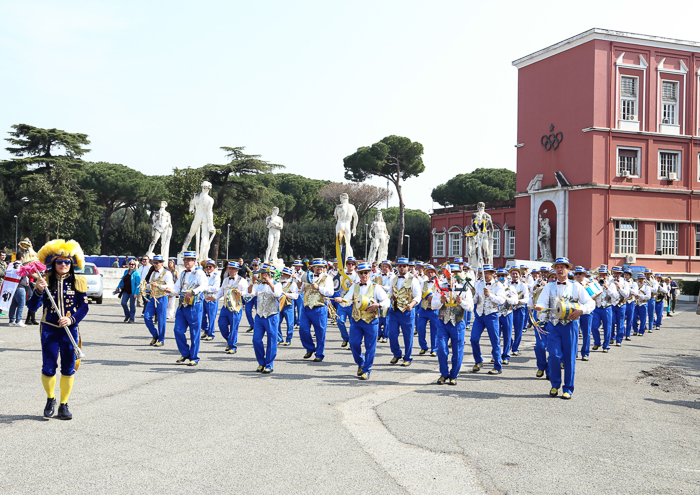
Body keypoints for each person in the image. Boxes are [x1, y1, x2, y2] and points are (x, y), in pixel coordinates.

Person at [30, 239, 89, 420]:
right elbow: (32, 307)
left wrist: (71, 319)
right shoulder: (44, 280)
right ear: (53, 263)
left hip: (69, 331)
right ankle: (50, 399)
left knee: (68, 368)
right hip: (49, 330)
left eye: (67, 262)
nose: (63, 265)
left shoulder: (78, 281)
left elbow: (84, 307)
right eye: (60, 262)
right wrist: (38, 291)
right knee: (48, 367)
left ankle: (64, 404)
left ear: (72, 263)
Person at [533, 257, 595, 399]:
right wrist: (539, 307)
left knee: (569, 357)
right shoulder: (549, 286)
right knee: (553, 355)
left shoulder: (576, 286)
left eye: (562, 267)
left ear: (568, 270)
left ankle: (568, 388)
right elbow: (542, 302)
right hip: (553, 325)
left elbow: (590, 303)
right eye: (557, 267)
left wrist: (581, 311)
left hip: (570, 326)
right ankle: (555, 385)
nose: (559, 270)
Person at [339, 261, 390, 380]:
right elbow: (347, 301)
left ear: (370, 273)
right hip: (356, 321)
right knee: (353, 343)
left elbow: (387, 301)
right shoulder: (354, 286)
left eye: (366, 273)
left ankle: (366, 370)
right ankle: (361, 363)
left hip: (371, 321)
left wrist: (378, 305)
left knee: (370, 346)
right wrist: (341, 300)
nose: (363, 275)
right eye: (361, 273)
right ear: (358, 274)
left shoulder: (376, 287)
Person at [432, 264, 475, 385]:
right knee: (441, 349)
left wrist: (461, 302)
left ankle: (454, 375)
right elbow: (433, 305)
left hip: (458, 323)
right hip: (443, 322)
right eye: (448, 274)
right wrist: (440, 301)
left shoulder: (463, 288)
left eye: (453, 274)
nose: (450, 277)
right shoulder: (440, 287)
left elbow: (470, 307)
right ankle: (444, 374)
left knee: (457, 351)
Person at [164, 251, 208, 366]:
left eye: (189, 260)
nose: (187, 262)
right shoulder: (183, 273)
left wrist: (193, 292)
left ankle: (194, 357)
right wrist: (170, 291)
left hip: (194, 305)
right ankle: (185, 353)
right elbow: (177, 289)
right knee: (178, 330)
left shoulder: (199, 272)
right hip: (182, 305)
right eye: (185, 260)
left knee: (194, 332)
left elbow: (204, 285)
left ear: (194, 261)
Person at [470, 265, 506, 374]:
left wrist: (490, 295)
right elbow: (475, 300)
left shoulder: (498, 285)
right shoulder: (479, 284)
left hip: (492, 314)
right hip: (479, 314)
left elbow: (501, 300)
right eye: (483, 273)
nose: (484, 275)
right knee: (473, 339)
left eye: (486, 273)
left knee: (495, 341)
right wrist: (471, 295)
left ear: (492, 273)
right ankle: (478, 361)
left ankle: (498, 366)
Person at [297, 258, 334, 362]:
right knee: (303, 329)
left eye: (322, 267)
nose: (320, 268)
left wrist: (318, 288)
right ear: (313, 267)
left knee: (320, 332)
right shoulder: (307, 276)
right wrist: (299, 286)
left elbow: (331, 292)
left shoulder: (327, 278)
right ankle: (310, 348)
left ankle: (319, 353)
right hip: (306, 307)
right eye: (317, 267)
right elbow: (300, 291)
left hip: (319, 307)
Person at [387, 257, 421, 367]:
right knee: (392, 334)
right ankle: (397, 353)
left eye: (404, 266)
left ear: (408, 267)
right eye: (400, 266)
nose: (402, 268)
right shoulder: (393, 279)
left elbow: (418, 296)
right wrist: (384, 301)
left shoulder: (413, 280)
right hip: (394, 310)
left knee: (408, 336)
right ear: (397, 267)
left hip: (407, 312)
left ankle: (407, 357)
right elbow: (390, 293)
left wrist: (412, 304)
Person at [248, 263, 282, 373]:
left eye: (265, 273)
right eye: (262, 273)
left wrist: (270, 282)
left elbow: (277, 294)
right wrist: (252, 283)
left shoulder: (277, 284)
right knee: (256, 340)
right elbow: (249, 294)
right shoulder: (258, 285)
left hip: (271, 315)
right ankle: (261, 362)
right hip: (259, 316)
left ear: (271, 274)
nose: (263, 275)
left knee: (271, 340)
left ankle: (269, 364)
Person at [207, 262, 248, 354]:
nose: (231, 270)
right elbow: (221, 292)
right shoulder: (226, 279)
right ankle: (230, 341)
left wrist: (241, 293)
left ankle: (232, 346)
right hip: (225, 306)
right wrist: (214, 298)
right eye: (230, 268)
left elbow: (247, 293)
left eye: (233, 268)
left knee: (234, 327)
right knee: (221, 325)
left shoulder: (242, 280)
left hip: (235, 307)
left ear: (237, 270)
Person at [143, 255, 173, 346]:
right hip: (152, 297)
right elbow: (150, 285)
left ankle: (161, 339)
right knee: (146, 317)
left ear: (162, 263)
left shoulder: (167, 273)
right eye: (154, 263)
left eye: (157, 263)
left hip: (162, 297)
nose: (155, 265)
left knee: (161, 319)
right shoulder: (153, 273)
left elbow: (170, 286)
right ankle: (155, 335)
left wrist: (159, 286)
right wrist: (144, 286)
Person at [589, 266, 618, 353]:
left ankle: (606, 346)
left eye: (604, 275)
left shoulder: (611, 285)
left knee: (607, 328)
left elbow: (615, 296)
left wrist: (607, 287)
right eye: (600, 275)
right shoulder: (595, 284)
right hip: (597, 308)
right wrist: (592, 285)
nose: (602, 277)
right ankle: (597, 342)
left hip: (607, 308)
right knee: (594, 326)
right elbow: (590, 295)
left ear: (607, 276)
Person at [333, 256, 360, 348]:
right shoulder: (341, 274)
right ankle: (345, 338)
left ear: (355, 265)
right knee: (339, 321)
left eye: (352, 264)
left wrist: (355, 285)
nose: (350, 265)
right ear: (346, 265)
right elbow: (336, 286)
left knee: (353, 324)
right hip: (343, 301)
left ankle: (352, 342)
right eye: (349, 263)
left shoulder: (358, 275)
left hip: (353, 302)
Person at [496, 268, 518, 365]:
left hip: (507, 313)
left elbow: (515, 300)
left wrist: (507, 299)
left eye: (503, 276)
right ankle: (496, 355)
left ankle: (506, 355)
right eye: (499, 276)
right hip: (495, 313)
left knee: (507, 335)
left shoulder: (510, 287)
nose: (501, 277)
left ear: (506, 276)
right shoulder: (494, 286)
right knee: (495, 336)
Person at [416, 264, 440, 357]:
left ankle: (434, 348)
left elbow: (442, 295)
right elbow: (418, 293)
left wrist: (434, 297)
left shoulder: (439, 283)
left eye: (432, 272)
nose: (430, 274)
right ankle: (423, 346)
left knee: (435, 330)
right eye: (428, 272)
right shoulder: (423, 283)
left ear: (435, 273)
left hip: (434, 309)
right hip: (424, 309)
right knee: (420, 328)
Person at [508, 266, 529, 357]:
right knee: (506, 329)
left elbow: (527, 298)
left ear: (519, 275)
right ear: (510, 275)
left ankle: (515, 348)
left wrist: (520, 301)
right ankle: (510, 342)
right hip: (508, 309)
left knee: (518, 330)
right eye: (513, 274)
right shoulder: (506, 284)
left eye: (516, 274)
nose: (515, 275)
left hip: (519, 309)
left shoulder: (523, 285)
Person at [374, 261, 394, 343]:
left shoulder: (393, 276)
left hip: (387, 298)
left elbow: (392, 288)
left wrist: (383, 287)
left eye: (386, 267)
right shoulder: (377, 275)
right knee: (377, 316)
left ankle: (385, 335)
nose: (384, 268)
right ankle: (379, 333)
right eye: (383, 267)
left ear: (390, 268)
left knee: (386, 318)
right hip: (378, 298)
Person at [278, 267, 299, 345]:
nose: (281, 275)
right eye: (281, 274)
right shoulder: (278, 283)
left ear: (287, 275)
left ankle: (288, 339)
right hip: (279, 305)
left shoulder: (292, 284)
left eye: (283, 274)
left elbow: (295, 296)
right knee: (276, 322)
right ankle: (279, 338)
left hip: (288, 305)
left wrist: (286, 294)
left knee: (290, 323)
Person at [200, 260, 220, 341]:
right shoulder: (203, 275)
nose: (208, 268)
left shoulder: (216, 276)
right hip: (203, 297)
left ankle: (211, 333)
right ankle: (206, 329)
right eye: (206, 266)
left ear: (214, 268)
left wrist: (205, 287)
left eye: (210, 267)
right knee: (201, 315)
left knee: (211, 317)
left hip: (212, 297)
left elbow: (216, 288)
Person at [609, 266, 629, 346]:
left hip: (621, 305)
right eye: (614, 273)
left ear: (620, 274)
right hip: (612, 304)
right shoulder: (610, 281)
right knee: (611, 321)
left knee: (620, 323)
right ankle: (611, 337)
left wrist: (619, 287)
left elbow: (626, 294)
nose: (615, 275)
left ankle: (619, 340)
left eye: (617, 273)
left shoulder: (625, 283)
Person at [8, 251, 28, 327]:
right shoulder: (21, 266)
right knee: (21, 304)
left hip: (13, 286)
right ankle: (18, 320)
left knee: (14, 304)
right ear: (22, 257)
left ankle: (11, 320)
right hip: (20, 287)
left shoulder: (12, 264)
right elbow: (23, 275)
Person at [244, 259, 260, 331]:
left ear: (259, 265)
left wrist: (256, 279)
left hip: (257, 294)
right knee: (247, 310)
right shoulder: (251, 272)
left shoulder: (261, 273)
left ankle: (257, 325)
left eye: (256, 265)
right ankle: (252, 324)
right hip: (250, 293)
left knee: (258, 310)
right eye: (253, 265)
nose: (254, 266)